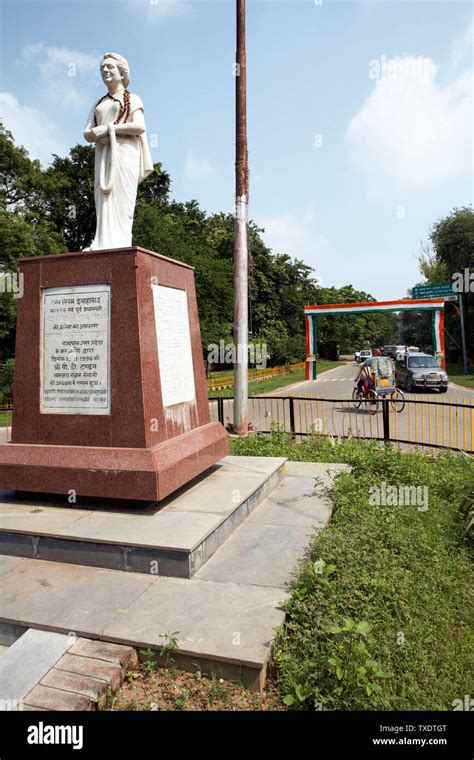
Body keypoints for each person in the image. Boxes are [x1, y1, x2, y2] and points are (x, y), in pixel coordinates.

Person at [83, 53, 154, 250]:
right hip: (103, 154)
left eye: (109, 67)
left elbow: (139, 126)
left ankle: (120, 243)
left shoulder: (133, 98)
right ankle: (101, 242)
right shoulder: (99, 103)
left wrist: (108, 129)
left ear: (122, 72)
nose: (105, 71)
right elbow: (86, 132)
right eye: (102, 68)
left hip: (125, 153)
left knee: (122, 201)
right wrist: (97, 135)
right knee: (103, 197)